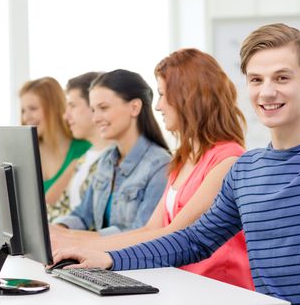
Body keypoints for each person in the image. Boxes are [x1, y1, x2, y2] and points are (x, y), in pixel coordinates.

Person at [51, 24, 300, 304]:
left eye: (281, 77)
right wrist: (108, 258)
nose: (267, 92)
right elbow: (194, 240)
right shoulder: (246, 169)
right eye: (255, 80)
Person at [52, 49, 253, 289]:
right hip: (178, 283)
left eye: (162, 95)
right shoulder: (184, 158)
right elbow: (152, 229)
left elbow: (176, 235)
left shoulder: (228, 159)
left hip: (216, 288)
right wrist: (70, 242)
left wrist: (84, 247)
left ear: (188, 98)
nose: (157, 106)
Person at [51, 69, 171, 236]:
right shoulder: (106, 160)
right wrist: (55, 230)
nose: (95, 118)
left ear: (134, 107)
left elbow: (141, 233)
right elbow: (83, 216)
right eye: (93, 110)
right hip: (100, 257)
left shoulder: (160, 165)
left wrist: (76, 238)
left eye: (103, 108)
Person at [0, 76, 91, 227]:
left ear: (54, 108)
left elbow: (46, 208)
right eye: (23, 110)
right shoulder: (24, 153)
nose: (26, 117)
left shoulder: (85, 150)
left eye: (33, 109)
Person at [47, 72, 112, 221]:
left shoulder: (114, 159)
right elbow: (58, 210)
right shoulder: (83, 159)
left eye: (72, 106)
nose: (65, 116)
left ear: (94, 105)